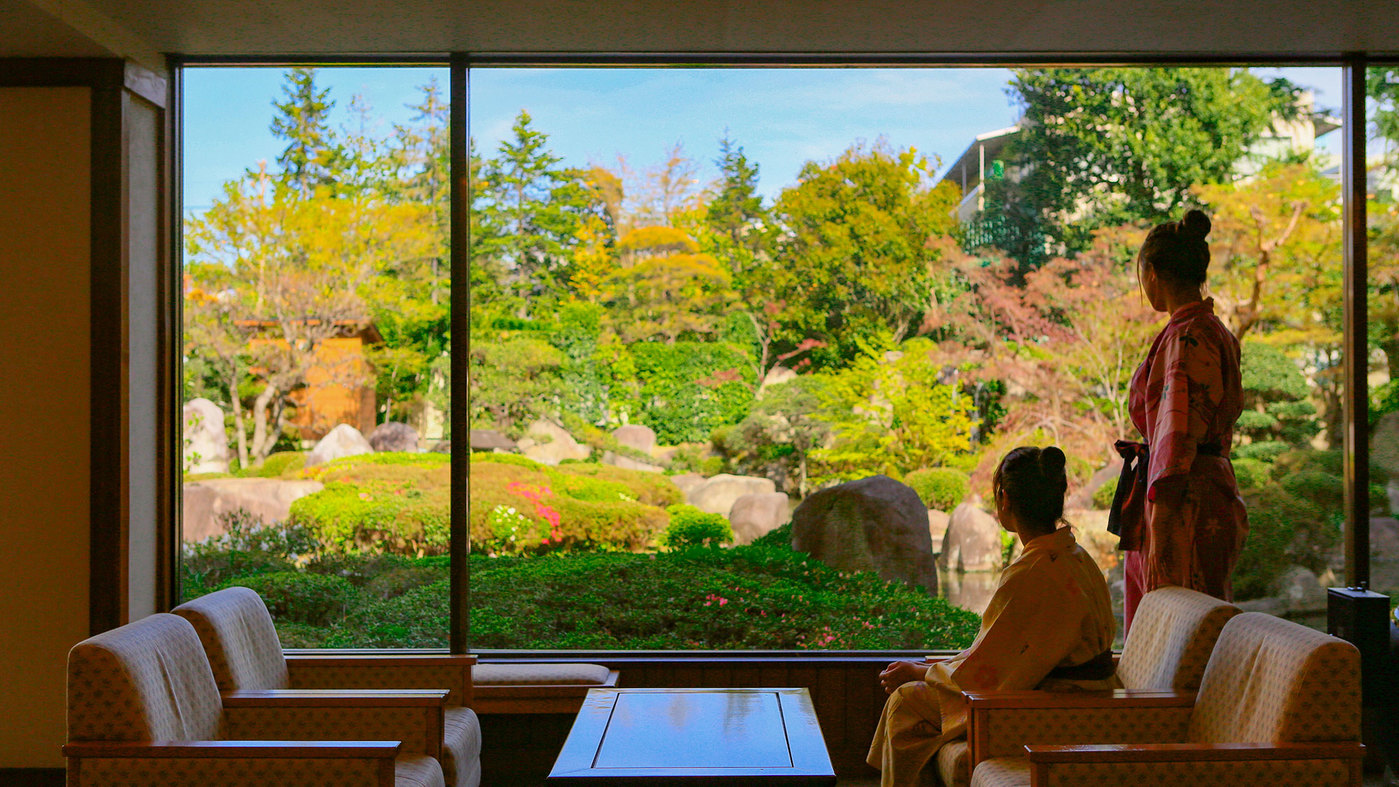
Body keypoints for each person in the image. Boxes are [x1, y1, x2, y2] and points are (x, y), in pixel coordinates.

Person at [867, 446, 1118, 787]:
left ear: (1004, 498)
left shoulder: (1034, 572)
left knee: (905, 703)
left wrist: (922, 673)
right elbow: (1002, 657)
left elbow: (986, 674)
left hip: (1057, 708)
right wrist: (929, 671)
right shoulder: (1074, 555)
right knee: (914, 697)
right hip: (1090, 699)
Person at [1114, 209, 1248, 634]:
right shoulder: (1213, 330)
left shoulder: (1186, 337)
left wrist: (1163, 518)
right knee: (1199, 625)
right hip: (1207, 491)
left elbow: (1175, 438)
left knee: (1174, 635)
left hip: (1181, 502)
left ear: (1152, 272)